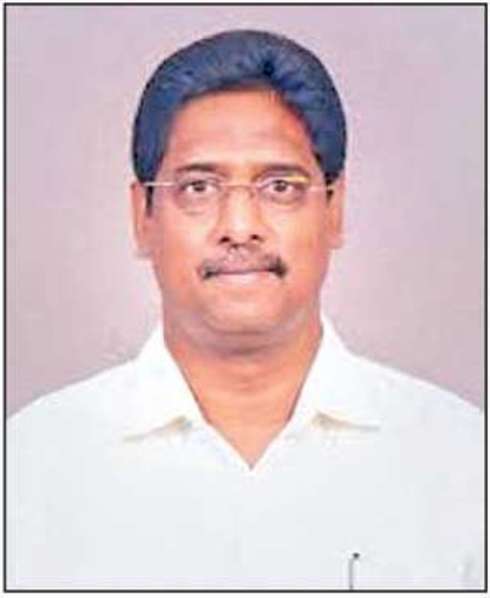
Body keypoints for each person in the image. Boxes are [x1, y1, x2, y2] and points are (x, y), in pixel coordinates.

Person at [8, 29, 483, 590]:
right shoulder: (30, 468)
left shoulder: (461, 461)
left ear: (334, 211)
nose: (239, 227)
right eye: (199, 188)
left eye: (280, 187)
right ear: (143, 217)